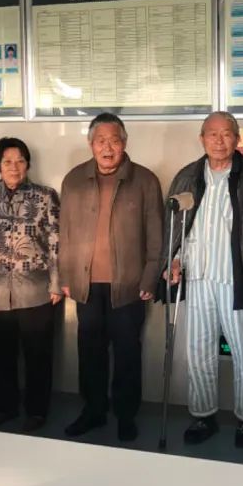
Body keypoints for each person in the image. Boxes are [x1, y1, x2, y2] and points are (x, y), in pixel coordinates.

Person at [163, 111, 243, 448]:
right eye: (212, 134)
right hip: (197, 277)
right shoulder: (186, 177)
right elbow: (176, 228)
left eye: (226, 133)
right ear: (202, 139)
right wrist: (172, 260)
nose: (219, 140)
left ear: (237, 138)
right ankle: (203, 415)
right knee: (198, 351)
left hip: (238, 278)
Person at [60, 113, 162, 442]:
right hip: (86, 285)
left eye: (114, 140)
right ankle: (93, 410)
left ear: (124, 143)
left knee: (127, 353)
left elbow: (156, 235)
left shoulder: (145, 180)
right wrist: (66, 275)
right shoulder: (74, 180)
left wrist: (150, 277)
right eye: (101, 141)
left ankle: (125, 415)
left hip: (129, 285)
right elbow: (65, 233)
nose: (108, 148)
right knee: (90, 352)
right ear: (91, 144)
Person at [0, 138, 62, 433]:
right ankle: (4, 407)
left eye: (20, 161)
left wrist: (57, 284)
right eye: (7, 161)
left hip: (36, 291)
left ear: (28, 164)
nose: (14, 167)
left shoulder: (45, 196)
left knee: (38, 356)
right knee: (0, 356)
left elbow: (57, 243)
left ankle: (37, 410)